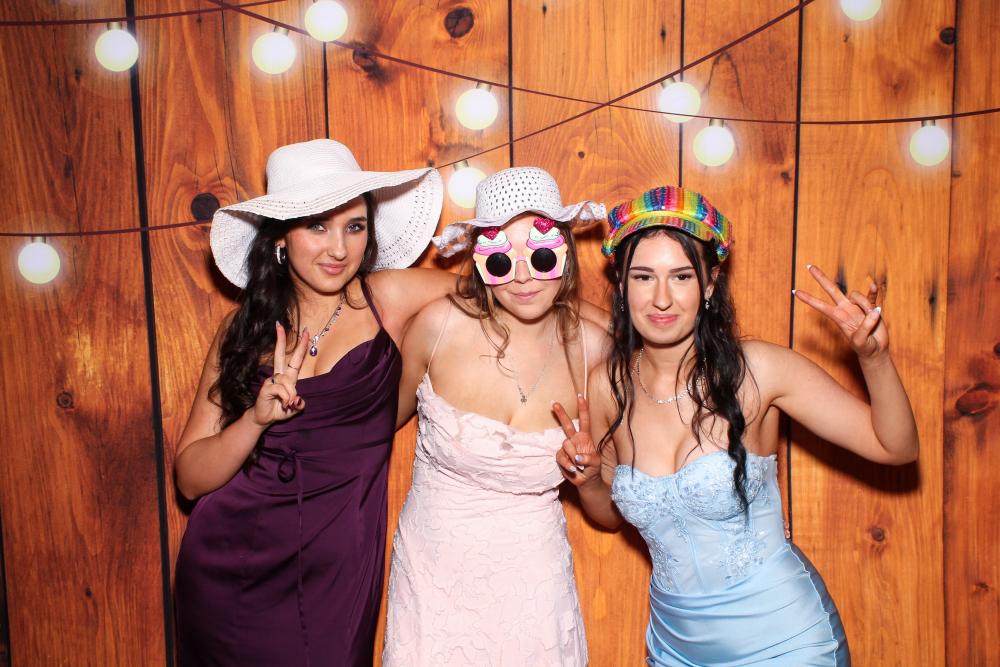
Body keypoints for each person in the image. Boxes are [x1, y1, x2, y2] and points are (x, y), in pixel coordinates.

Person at [554, 185, 918, 666]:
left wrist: (874, 359)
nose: (661, 299)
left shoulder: (759, 371)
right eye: (643, 277)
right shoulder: (608, 387)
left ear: (709, 284)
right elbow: (610, 514)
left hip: (787, 645)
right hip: (674, 649)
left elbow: (895, 447)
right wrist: (587, 483)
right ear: (622, 283)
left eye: (681, 276)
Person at [173, 138, 454, 666]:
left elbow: (509, 292)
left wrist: (617, 339)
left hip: (335, 578)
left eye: (355, 226)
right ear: (281, 237)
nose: (339, 249)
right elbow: (189, 478)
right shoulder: (243, 330)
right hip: (229, 573)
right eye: (317, 226)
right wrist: (254, 421)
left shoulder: (388, 299)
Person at [382, 167, 609, 666]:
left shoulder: (594, 352)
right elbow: (373, 431)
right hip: (433, 581)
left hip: (534, 587)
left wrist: (591, 478)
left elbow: (609, 515)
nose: (523, 277)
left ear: (567, 254)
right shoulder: (438, 327)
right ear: (481, 264)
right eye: (502, 260)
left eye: (542, 256)